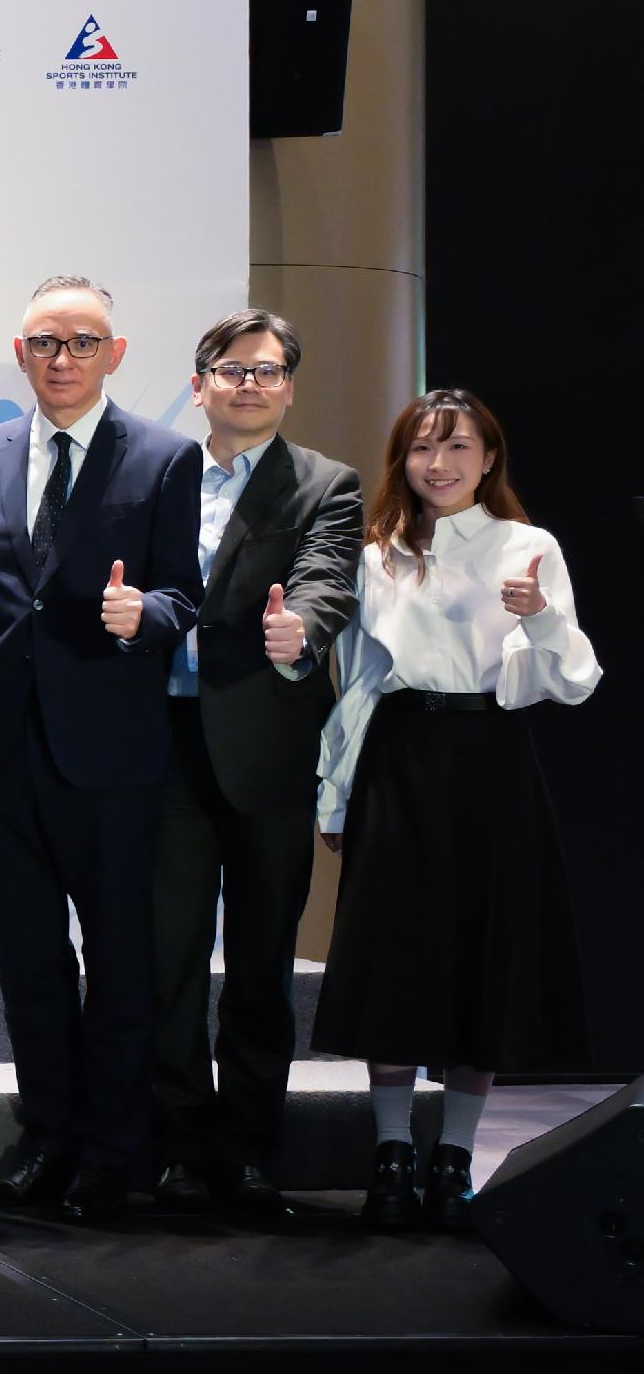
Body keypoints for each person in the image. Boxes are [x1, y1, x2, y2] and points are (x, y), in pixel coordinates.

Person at [0, 275, 204, 1223]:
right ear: (20, 353)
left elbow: (186, 591)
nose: (62, 358)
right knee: (29, 960)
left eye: (81, 342)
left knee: (121, 959)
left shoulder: (169, 456)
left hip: (115, 753)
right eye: (45, 341)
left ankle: (116, 1151)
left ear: (115, 354)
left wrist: (146, 616)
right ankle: (48, 1136)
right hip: (0, 750)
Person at [312, 390, 600, 1232]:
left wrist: (539, 615)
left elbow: (577, 680)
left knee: (486, 956)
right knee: (393, 955)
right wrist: (334, 789)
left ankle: (456, 1158)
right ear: (402, 459)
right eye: (421, 449)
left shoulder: (528, 545)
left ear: (488, 458)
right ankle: (392, 1153)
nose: (438, 464)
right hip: (398, 758)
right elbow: (358, 684)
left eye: (457, 447)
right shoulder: (378, 552)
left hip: (492, 758)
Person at [146, 308, 362, 1220]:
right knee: (169, 963)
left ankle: (247, 1149)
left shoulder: (326, 482)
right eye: (231, 369)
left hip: (269, 750)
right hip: (164, 746)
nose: (248, 383)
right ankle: (182, 1148)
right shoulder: (157, 474)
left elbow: (326, 575)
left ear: (288, 386)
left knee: (262, 961)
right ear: (200, 383)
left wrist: (299, 627)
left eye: (267, 371)